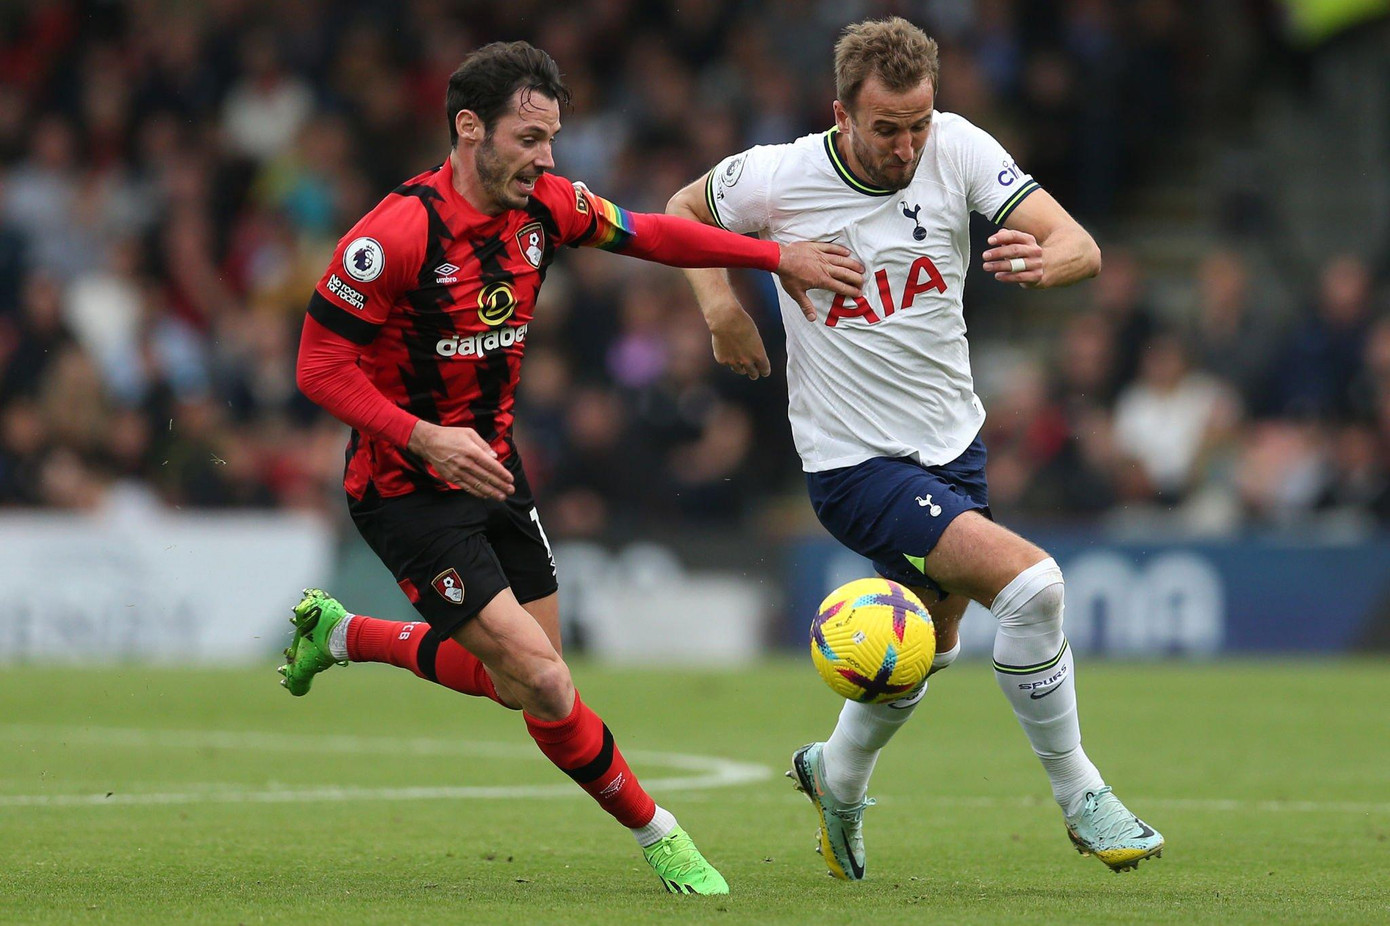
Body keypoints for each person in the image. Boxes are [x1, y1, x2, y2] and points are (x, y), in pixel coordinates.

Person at [281, 40, 863, 897]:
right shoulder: (397, 233)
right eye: (528, 137)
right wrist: (422, 437)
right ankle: (660, 832)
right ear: (469, 128)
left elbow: (654, 234)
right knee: (547, 682)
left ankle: (341, 634)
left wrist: (778, 258)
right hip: (407, 489)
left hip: (496, 473)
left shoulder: (546, 207)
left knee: (521, 683)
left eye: (552, 136)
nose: (547, 157)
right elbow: (318, 367)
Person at [666, 17, 1163, 880]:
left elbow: (1078, 242)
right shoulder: (779, 175)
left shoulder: (959, 147)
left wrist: (1054, 265)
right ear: (842, 114)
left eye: (918, 123)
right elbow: (680, 212)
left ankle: (837, 775)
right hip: (852, 462)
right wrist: (721, 309)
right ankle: (1083, 797)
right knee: (1035, 588)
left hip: (953, 444)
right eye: (886, 127)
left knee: (924, 646)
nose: (906, 146)